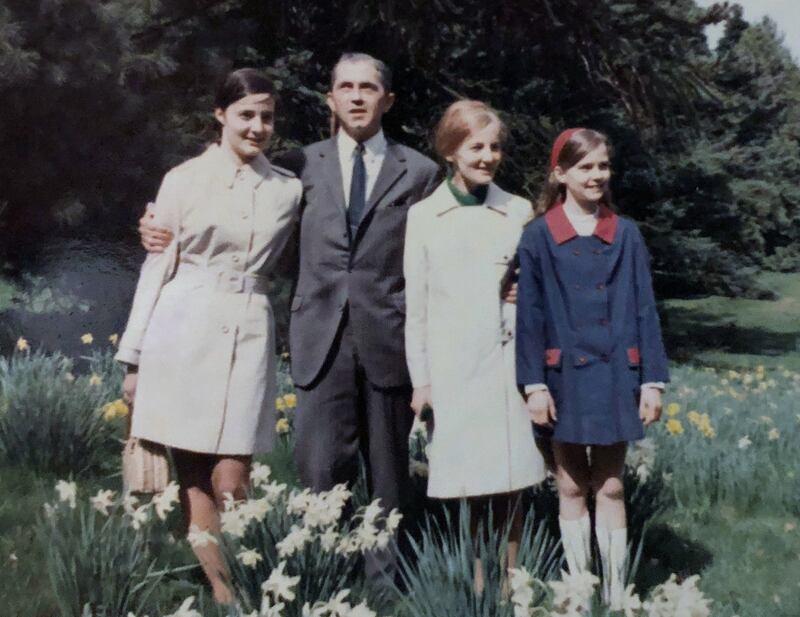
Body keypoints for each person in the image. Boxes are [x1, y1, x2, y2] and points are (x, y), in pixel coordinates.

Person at [139, 53, 440, 585]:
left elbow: (440, 252)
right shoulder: (299, 168)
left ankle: (383, 589)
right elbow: (231, 220)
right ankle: (327, 578)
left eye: (367, 87)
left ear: (386, 99)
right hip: (318, 336)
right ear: (330, 99)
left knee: (390, 476)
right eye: (344, 86)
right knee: (320, 468)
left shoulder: (420, 172)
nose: (355, 97)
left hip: (388, 337)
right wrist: (155, 229)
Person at [116, 68, 302, 604]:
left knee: (234, 478)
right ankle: (227, 596)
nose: (258, 126)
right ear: (220, 115)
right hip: (183, 328)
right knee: (195, 475)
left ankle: (250, 577)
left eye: (267, 117)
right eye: (246, 115)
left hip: (248, 331)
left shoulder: (288, 189)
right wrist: (134, 360)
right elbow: (158, 266)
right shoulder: (182, 179)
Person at [515, 128, 669, 608]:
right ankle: (580, 589)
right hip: (563, 378)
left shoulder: (625, 234)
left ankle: (618, 591)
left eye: (603, 165)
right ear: (560, 174)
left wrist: (652, 381)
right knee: (568, 482)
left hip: (615, 375)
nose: (597, 175)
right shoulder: (540, 235)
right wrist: (534, 384)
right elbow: (530, 314)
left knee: (612, 484)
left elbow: (645, 308)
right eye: (585, 166)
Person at [403, 100, 546, 592]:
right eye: (475, 147)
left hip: (505, 362)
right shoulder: (424, 216)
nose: (487, 157)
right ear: (450, 151)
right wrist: (421, 380)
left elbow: (535, 285)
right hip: (452, 366)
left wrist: (526, 291)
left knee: (510, 479)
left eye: (494, 147)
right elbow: (416, 306)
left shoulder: (518, 210)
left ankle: (511, 581)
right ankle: (477, 583)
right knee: (470, 484)